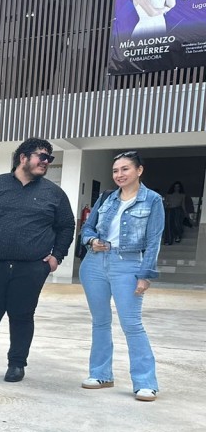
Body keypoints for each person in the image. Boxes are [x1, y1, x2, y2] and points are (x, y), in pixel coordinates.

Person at [0, 137, 75, 383]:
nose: (46, 162)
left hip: (31, 268)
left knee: (22, 315)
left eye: (49, 159)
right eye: (42, 157)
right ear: (23, 158)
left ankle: (17, 364)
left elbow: (66, 226)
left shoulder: (54, 193)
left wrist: (57, 256)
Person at [79, 151, 164, 401]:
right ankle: (101, 374)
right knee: (100, 321)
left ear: (139, 171)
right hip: (94, 264)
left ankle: (145, 382)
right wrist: (92, 240)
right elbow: (87, 227)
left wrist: (145, 274)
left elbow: (153, 241)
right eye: (116, 170)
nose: (119, 175)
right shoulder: (106, 198)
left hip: (127, 264)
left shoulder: (153, 200)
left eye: (125, 169)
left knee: (132, 325)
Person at [162, 181, 185, 245]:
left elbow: (183, 205)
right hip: (169, 209)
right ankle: (168, 240)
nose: (176, 188)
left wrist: (185, 214)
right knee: (168, 224)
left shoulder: (182, 195)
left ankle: (178, 236)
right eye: (175, 187)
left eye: (178, 187)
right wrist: (166, 204)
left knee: (176, 223)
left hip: (178, 209)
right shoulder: (168, 195)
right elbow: (165, 203)